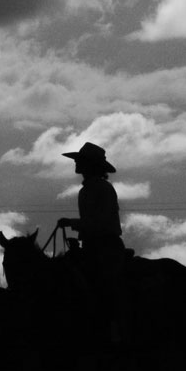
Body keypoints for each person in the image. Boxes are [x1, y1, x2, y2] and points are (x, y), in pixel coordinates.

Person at [54, 142, 130, 344]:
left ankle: (113, 331)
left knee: (103, 286)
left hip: (106, 248)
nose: (76, 164)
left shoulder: (101, 189)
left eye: (80, 161)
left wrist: (72, 223)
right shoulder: (89, 190)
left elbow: (100, 222)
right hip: (93, 246)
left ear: (89, 165)